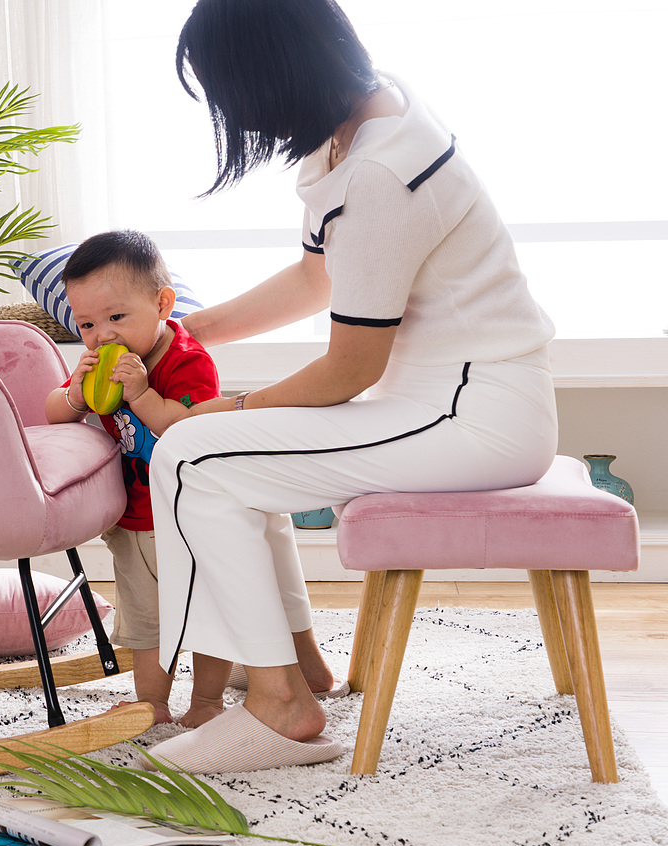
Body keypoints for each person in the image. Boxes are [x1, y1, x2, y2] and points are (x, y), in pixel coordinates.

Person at [144, 0, 558, 773]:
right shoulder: (357, 123)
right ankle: (289, 670)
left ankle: (279, 703)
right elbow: (315, 276)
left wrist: (217, 409)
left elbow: (350, 369)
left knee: (194, 453)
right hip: (439, 400)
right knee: (209, 454)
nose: (235, 116)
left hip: (473, 413)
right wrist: (187, 336)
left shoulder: (381, 170)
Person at [44, 230, 226, 727]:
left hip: (190, 518)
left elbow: (186, 426)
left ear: (162, 303)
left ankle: (208, 702)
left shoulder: (188, 361)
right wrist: (77, 395)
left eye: (116, 317)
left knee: (205, 614)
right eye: (86, 324)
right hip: (131, 520)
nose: (103, 335)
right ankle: (152, 704)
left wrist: (142, 395)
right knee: (145, 625)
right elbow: (50, 409)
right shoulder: (96, 367)